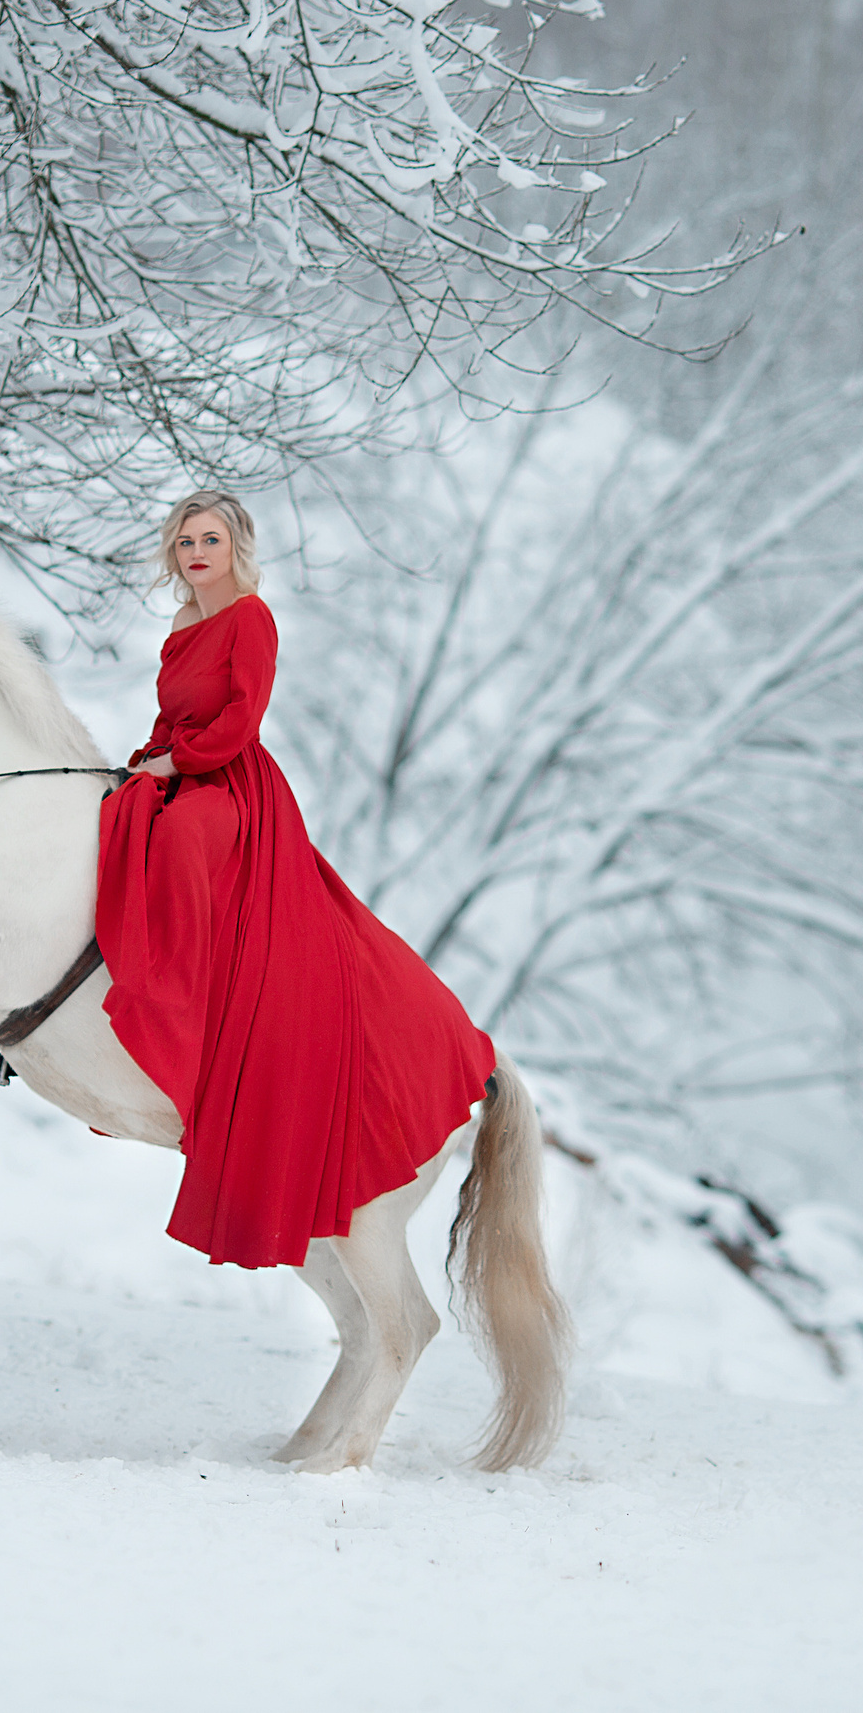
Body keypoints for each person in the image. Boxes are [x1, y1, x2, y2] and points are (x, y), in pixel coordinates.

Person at [96, 489, 497, 1269]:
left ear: (236, 548)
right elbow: (171, 717)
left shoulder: (251, 618)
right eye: (185, 542)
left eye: (211, 539)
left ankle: (176, 991)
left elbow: (238, 720)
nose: (197, 552)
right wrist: (145, 760)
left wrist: (178, 765)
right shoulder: (181, 625)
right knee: (114, 818)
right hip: (183, 763)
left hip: (230, 781)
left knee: (178, 836)